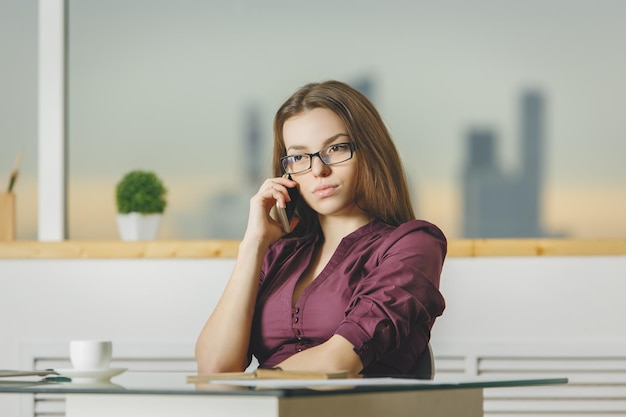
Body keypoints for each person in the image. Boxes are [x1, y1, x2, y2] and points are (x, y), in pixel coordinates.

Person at [195, 80, 446, 377]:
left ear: (368, 151)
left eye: (336, 148)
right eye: (299, 157)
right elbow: (213, 368)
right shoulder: (278, 256)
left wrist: (246, 384)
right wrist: (253, 243)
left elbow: (338, 362)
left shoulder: (413, 244)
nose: (318, 170)